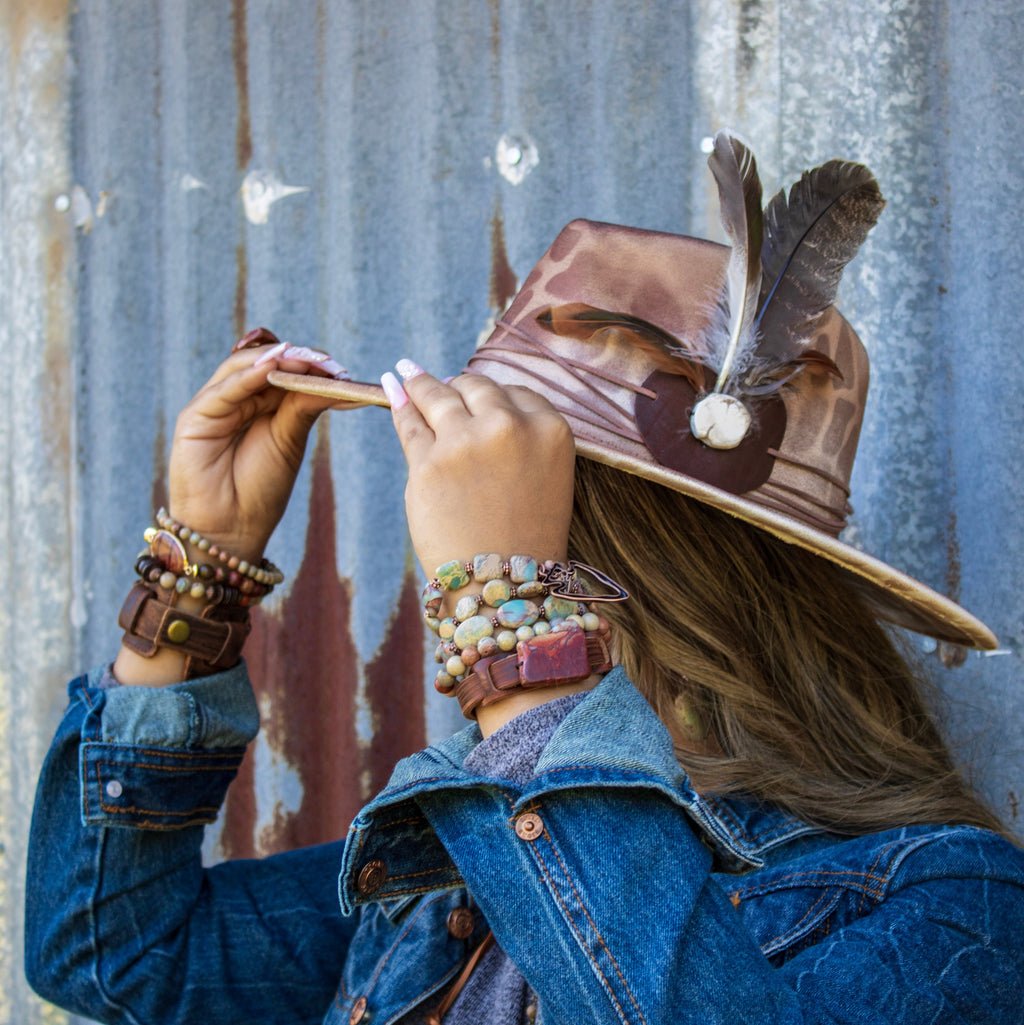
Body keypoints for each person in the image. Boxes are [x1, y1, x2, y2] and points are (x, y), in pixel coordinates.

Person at [25, 134, 1024, 1024]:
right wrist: (195, 576)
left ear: (641, 564)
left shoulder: (944, 900)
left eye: (502, 506)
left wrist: (512, 635)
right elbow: (114, 956)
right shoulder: (455, 866)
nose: (448, 580)